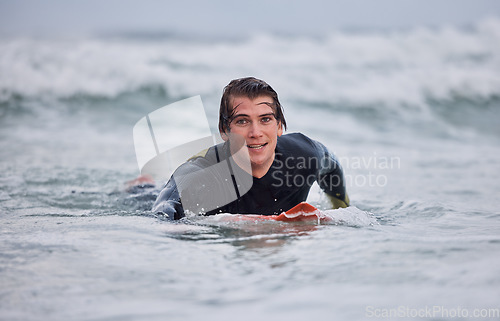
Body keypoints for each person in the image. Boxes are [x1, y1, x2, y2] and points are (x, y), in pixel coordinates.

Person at [152, 77, 349, 219]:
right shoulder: (203, 173)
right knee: (144, 190)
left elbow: (332, 166)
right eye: (242, 121)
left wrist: (340, 208)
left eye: (265, 119)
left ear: (279, 126)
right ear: (224, 131)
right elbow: (163, 210)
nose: (255, 132)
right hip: (151, 195)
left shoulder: (304, 156)